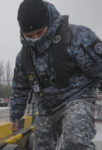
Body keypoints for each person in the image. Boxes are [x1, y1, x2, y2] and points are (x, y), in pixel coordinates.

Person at [10, 0, 102, 149]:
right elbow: (19, 87)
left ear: (48, 22)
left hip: (78, 98)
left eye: (39, 32)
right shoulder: (24, 57)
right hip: (47, 107)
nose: (35, 39)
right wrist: (15, 114)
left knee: (74, 140)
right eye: (29, 35)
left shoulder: (77, 37)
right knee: (42, 145)